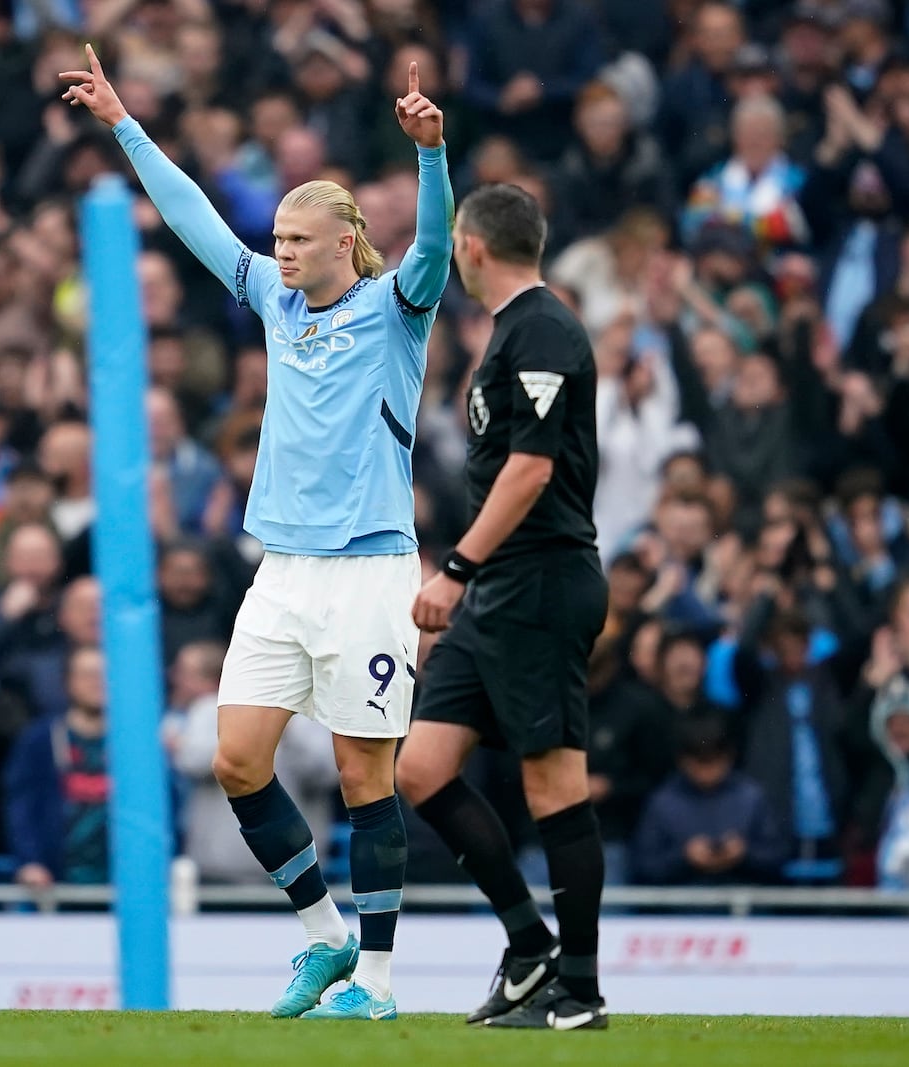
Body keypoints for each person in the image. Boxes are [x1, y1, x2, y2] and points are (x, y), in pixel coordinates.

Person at [63, 46, 452, 1020]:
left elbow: (438, 253)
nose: (279, 250)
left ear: (343, 244)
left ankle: (380, 980)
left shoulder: (394, 308)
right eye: (275, 236)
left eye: (296, 238)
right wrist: (123, 123)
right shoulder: (275, 304)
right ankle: (322, 936)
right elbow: (193, 213)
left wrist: (433, 158)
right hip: (280, 568)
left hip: (368, 570)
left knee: (367, 774)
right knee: (237, 757)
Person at [396, 183, 610, 1030]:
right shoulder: (510, 331)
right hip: (500, 589)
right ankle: (530, 949)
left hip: (542, 578)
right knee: (420, 768)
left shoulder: (545, 330)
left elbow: (532, 468)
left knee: (552, 779)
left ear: (471, 247)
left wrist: (453, 568)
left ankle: (581, 989)